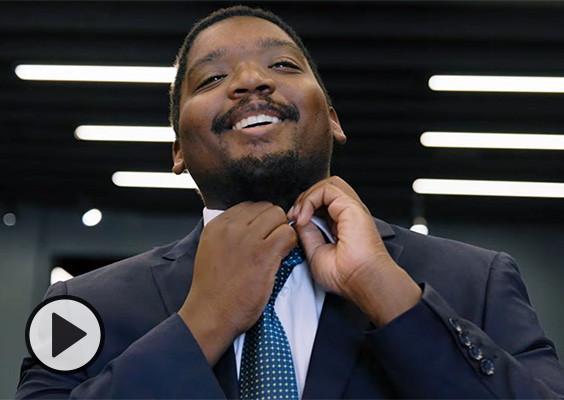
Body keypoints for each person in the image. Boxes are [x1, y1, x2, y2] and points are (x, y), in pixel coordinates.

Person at [16, 5, 564, 399]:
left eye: (282, 66)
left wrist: (388, 293)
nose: (251, 81)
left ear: (333, 119)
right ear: (177, 150)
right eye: (212, 77)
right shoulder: (82, 309)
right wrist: (204, 322)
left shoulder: (478, 280)